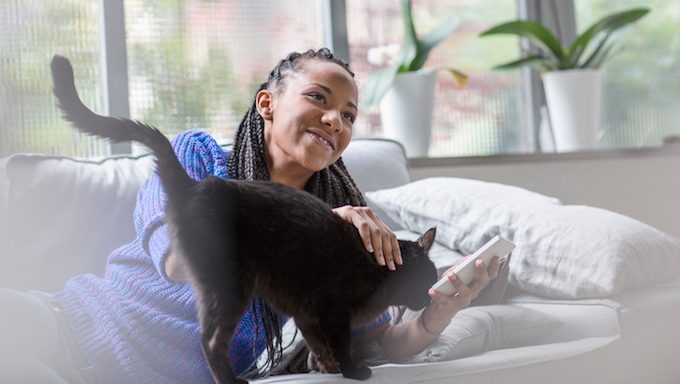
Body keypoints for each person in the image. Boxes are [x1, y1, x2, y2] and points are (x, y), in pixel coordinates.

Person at [0, 48, 500, 383]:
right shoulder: (197, 157)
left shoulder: (332, 239)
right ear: (267, 102)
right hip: (65, 324)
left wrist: (437, 314)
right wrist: (306, 222)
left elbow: (378, 341)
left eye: (349, 116)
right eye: (318, 99)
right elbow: (177, 262)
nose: (335, 120)